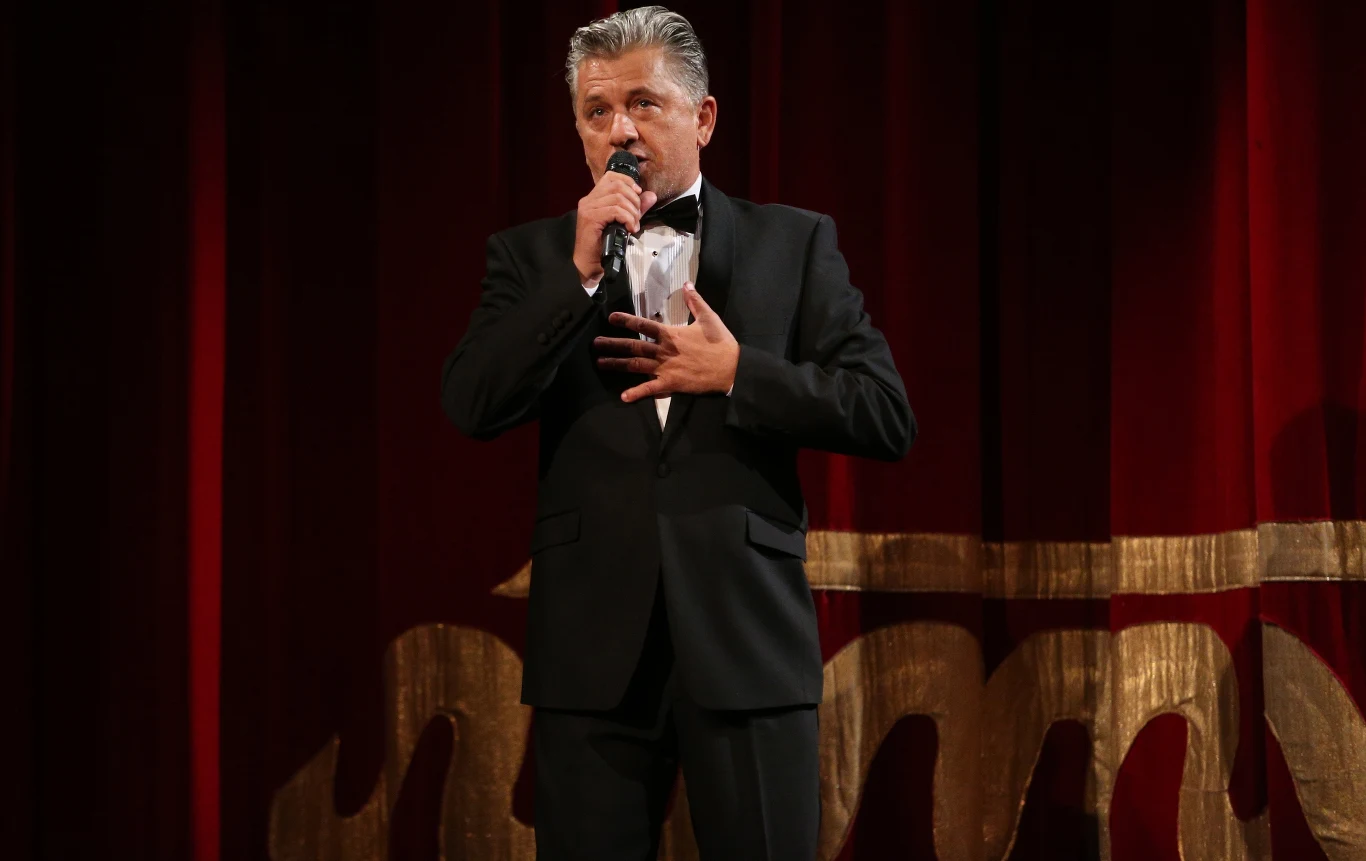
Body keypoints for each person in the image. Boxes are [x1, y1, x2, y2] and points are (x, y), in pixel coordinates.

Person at [440, 6, 914, 858]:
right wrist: (578, 275)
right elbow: (472, 402)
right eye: (597, 111)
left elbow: (885, 412)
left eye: (643, 104)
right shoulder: (533, 258)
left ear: (703, 118)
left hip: (745, 640)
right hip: (591, 651)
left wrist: (737, 373)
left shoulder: (793, 243)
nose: (619, 130)